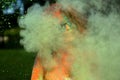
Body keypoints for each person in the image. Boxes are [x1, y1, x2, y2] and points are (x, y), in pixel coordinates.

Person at [30, 2, 87, 80]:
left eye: (68, 24)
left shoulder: (85, 54)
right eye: (57, 26)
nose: (66, 29)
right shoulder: (45, 55)